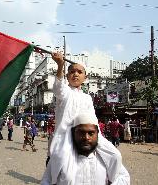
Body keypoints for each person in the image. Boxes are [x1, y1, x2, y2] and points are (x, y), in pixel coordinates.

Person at [46, 52, 123, 185]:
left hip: (87, 135)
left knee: (115, 155)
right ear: (67, 75)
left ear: (85, 77)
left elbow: (93, 120)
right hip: (66, 138)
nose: (75, 74)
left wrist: (98, 138)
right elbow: (58, 88)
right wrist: (60, 65)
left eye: (79, 72)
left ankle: (112, 180)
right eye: (72, 71)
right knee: (61, 165)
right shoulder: (64, 92)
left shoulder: (87, 97)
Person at [41, 113, 130, 184]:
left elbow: (123, 178)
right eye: (81, 133)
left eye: (91, 133)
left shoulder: (107, 159)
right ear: (73, 133)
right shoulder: (60, 158)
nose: (86, 137)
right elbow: (46, 181)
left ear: (97, 134)